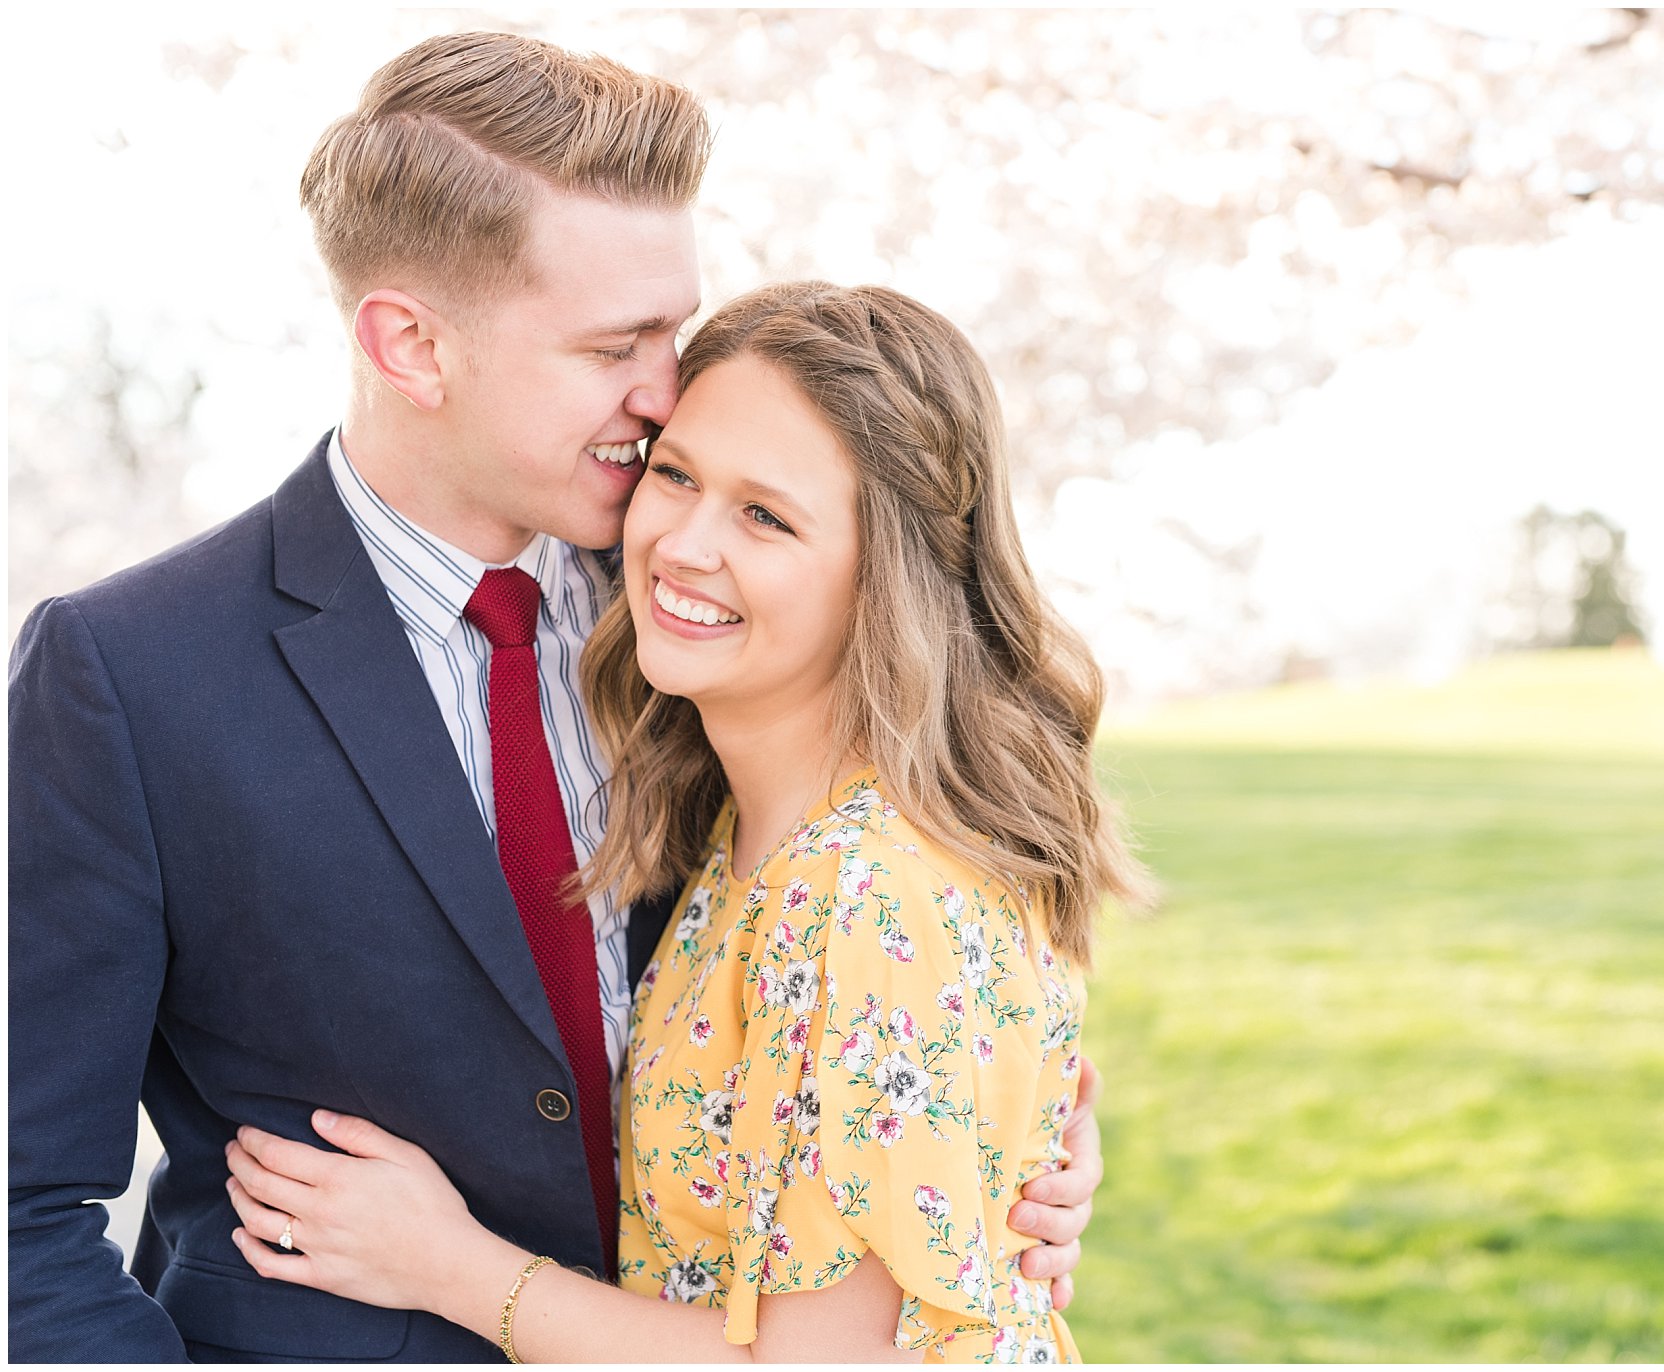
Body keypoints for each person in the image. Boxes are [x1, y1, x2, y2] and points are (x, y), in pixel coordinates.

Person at [7, 35, 1099, 1364]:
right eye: (614, 345)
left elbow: (895, 982)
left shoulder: (703, 612)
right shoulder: (130, 677)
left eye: (673, 330)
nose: (662, 396)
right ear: (411, 344)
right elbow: (21, 1222)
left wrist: (985, 1169)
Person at [220, 281, 1146, 1363]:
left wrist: (449, 1267)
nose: (682, 543)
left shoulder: (866, 887)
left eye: (765, 515)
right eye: (675, 474)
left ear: (882, 576)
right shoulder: (742, 836)